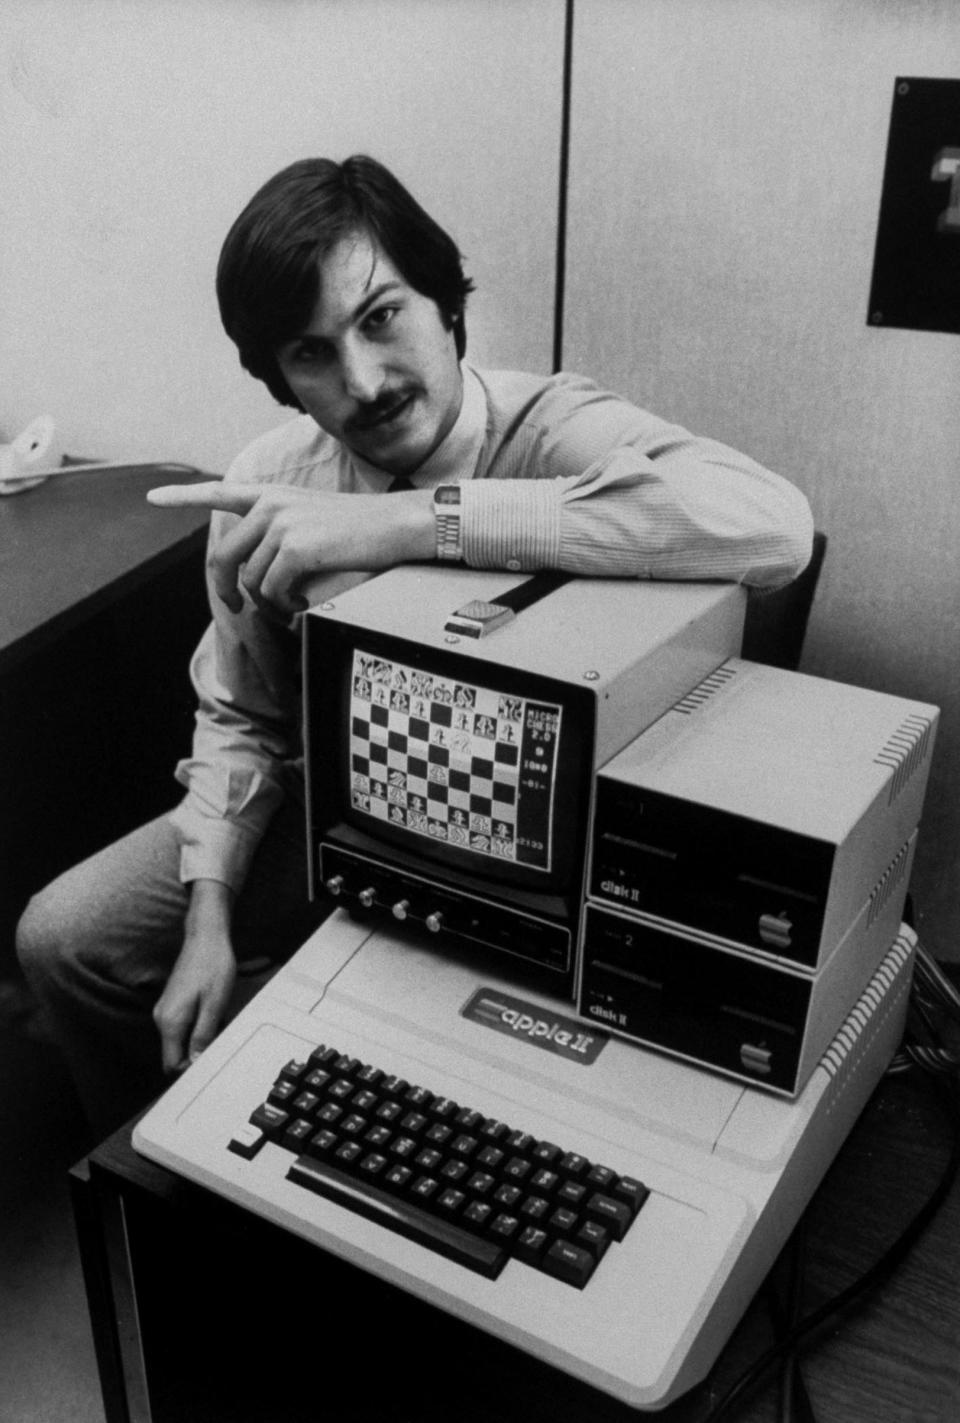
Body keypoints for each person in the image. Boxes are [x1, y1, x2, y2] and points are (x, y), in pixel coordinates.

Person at [17, 155, 814, 1141]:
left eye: (381, 316)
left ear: (445, 302)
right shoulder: (272, 479)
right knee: (62, 937)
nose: (363, 381)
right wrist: (208, 917)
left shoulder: (552, 425)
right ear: (280, 378)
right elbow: (243, 713)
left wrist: (399, 527)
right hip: (339, 807)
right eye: (311, 354)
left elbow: (774, 526)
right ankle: (171, 1169)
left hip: (546, 833)